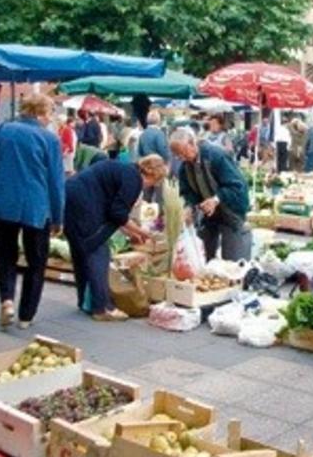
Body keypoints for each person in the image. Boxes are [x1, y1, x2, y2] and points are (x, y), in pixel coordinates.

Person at [0, 94, 64, 329]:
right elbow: (56, 182)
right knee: (36, 261)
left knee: (4, 255)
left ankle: (7, 300)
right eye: (49, 114)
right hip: (37, 206)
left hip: (2, 203)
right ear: (41, 113)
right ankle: (26, 316)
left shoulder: (1, 129)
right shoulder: (50, 139)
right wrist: (57, 216)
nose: (50, 119)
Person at [64, 157, 156, 321]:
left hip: (70, 196)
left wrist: (129, 231)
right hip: (85, 205)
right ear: (151, 175)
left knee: (81, 250)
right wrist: (141, 232)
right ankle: (102, 308)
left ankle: (85, 303)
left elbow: (112, 210)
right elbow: (117, 213)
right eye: (154, 182)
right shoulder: (133, 179)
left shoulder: (122, 168)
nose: (150, 186)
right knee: (98, 250)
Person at [171, 127, 252, 261]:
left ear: (192, 143)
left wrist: (215, 199)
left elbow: (237, 186)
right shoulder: (184, 167)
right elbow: (187, 192)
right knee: (203, 258)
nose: (181, 158)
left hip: (231, 210)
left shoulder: (216, 156)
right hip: (208, 215)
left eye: (183, 152)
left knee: (233, 261)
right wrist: (189, 207)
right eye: (177, 155)